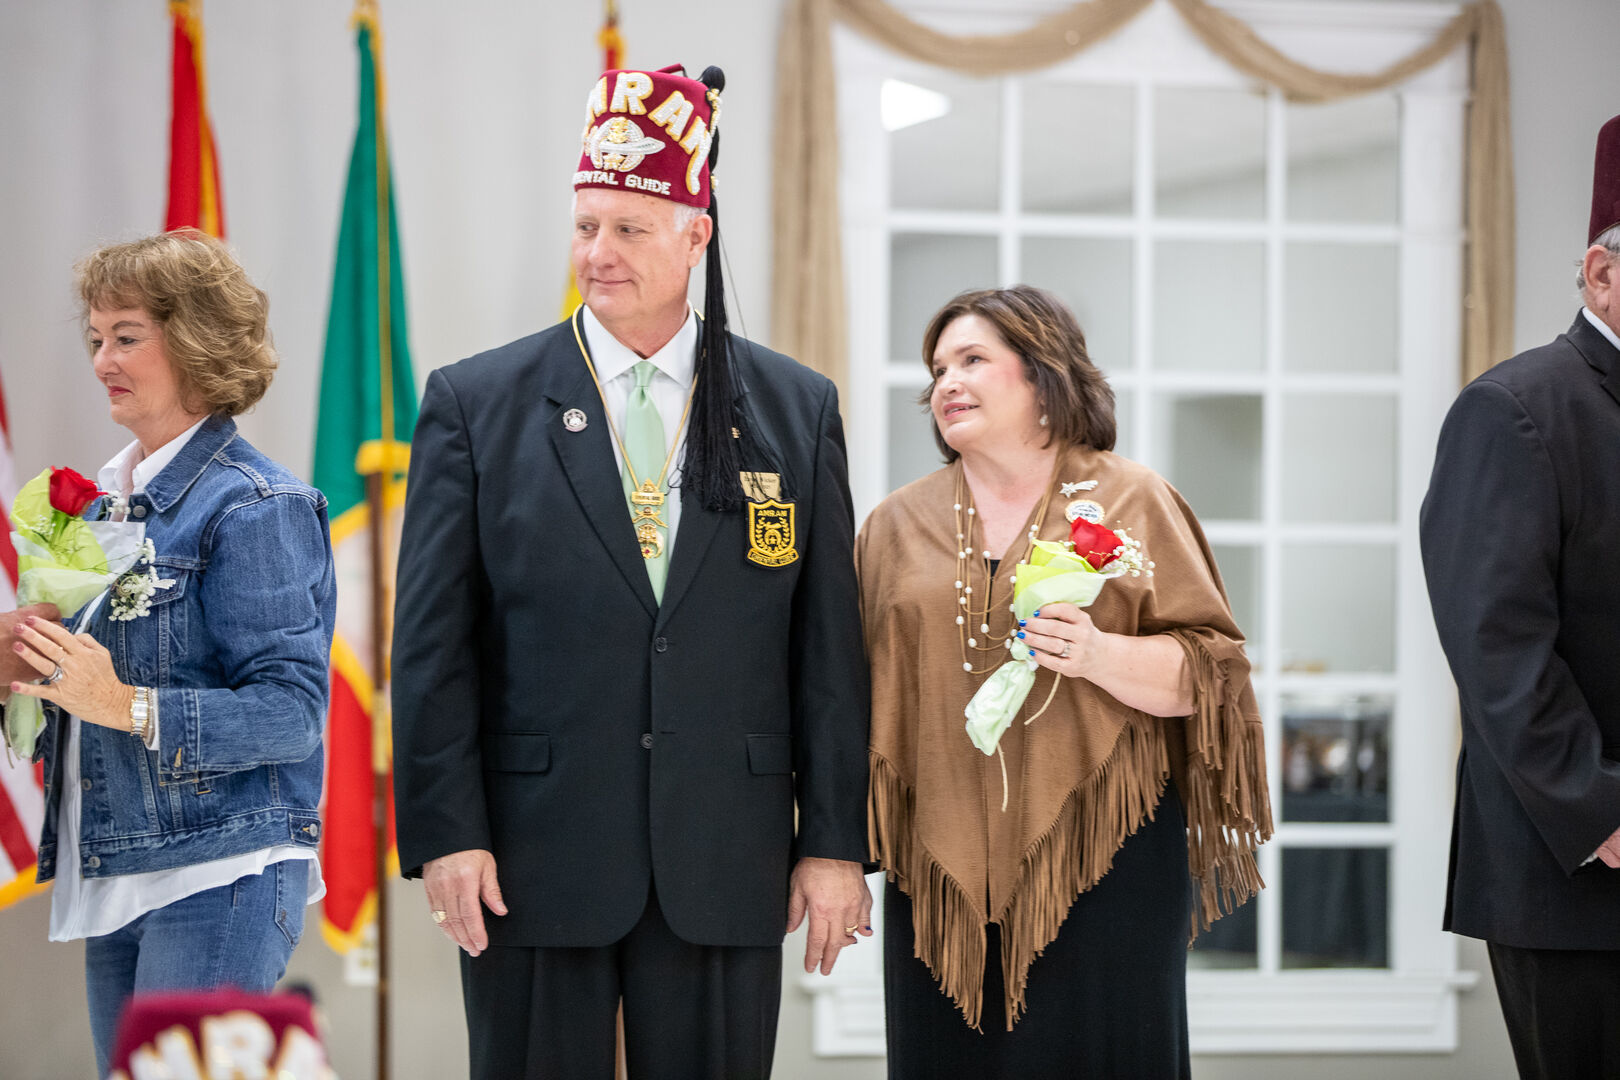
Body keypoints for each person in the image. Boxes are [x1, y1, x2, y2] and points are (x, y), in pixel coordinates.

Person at [391, 63, 870, 1080]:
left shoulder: (796, 407)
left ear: (696, 236)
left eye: (629, 229)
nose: (597, 253)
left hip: (725, 851)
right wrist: (446, 832)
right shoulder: (476, 403)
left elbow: (828, 650)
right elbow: (433, 646)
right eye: (584, 227)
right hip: (531, 852)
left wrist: (833, 843)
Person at [859, 286, 1271, 1078]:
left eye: (972, 360)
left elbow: (1212, 675)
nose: (946, 383)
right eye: (938, 369)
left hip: (1106, 858)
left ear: (1043, 376)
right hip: (937, 871)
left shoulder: (1134, 499)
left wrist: (1099, 655)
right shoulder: (892, 526)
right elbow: (851, 696)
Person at [7, 231, 336, 1076]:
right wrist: (22, 669)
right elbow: (89, 700)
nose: (101, 361)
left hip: (219, 874)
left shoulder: (257, 505)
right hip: (118, 870)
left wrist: (123, 704)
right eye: (95, 338)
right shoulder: (103, 512)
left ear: (194, 340)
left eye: (126, 337)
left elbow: (291, 714)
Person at [1419, 113, 1620, 1079]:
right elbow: (1497, 648)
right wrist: (1603, 813)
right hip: (1580, 877)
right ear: (1602, 273)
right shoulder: (1514, 409)